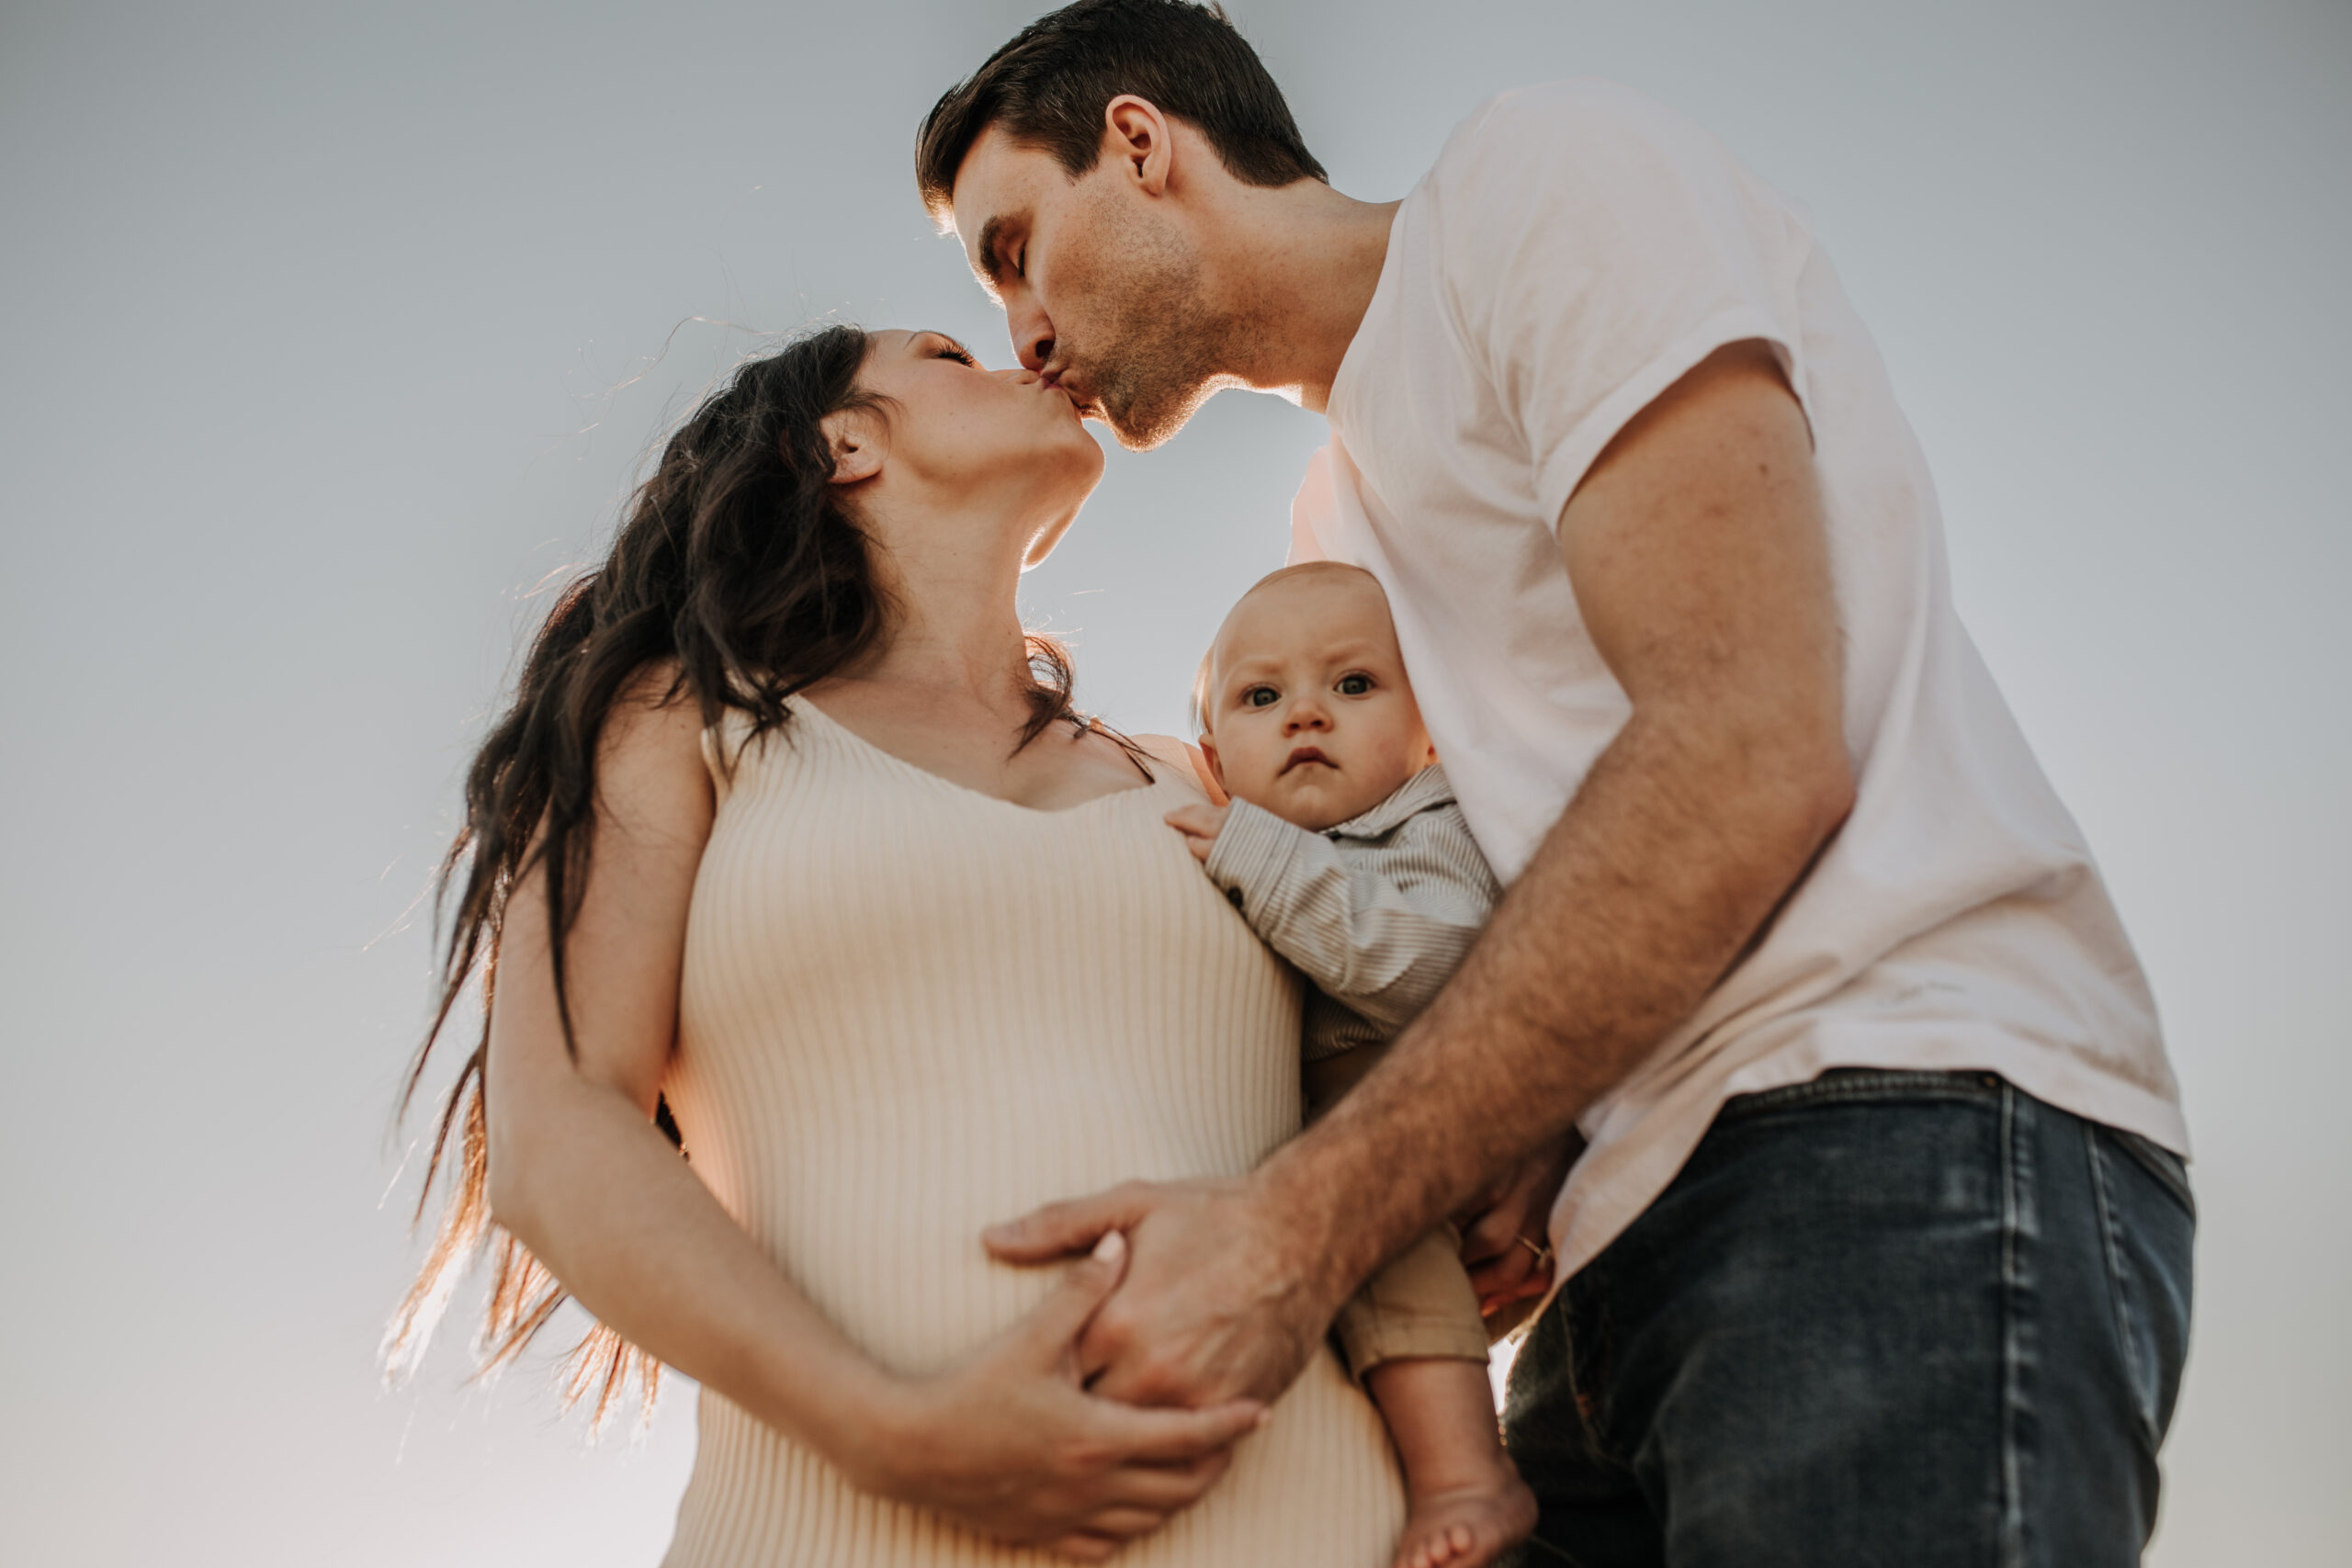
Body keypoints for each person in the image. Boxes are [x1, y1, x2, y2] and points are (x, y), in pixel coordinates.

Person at [914, 4, 2196, 1563]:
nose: (1022, 332)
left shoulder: (1540, 188)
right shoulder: (1335, 526)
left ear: (1139, 144)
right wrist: (1513, 1136)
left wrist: (1304, 1229)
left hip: (1886, 1124)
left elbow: (1742, 746)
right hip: (1615, 1258)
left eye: (1014, 250)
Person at [385, 322, 1409, 1566]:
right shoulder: (682, 723)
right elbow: (558, 1131)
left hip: (1313, 1526)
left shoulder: (1217, 775)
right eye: (945, 352)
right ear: (846, 442)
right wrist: (896, 1430)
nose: (1026, 353)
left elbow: (1417, 1009)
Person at [1166, 560, 1535, 1568]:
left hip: (1420, 1131)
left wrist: (1272, 861)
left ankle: (1469, 1477)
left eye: (1354, 685)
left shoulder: (1433, 825)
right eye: (1260, 697)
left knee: (1379, 1239)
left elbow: (1439, 966)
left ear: (1428, 732)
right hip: (1313, 1147)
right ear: (1211, 760)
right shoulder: (1232, 850)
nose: (1306, 717)